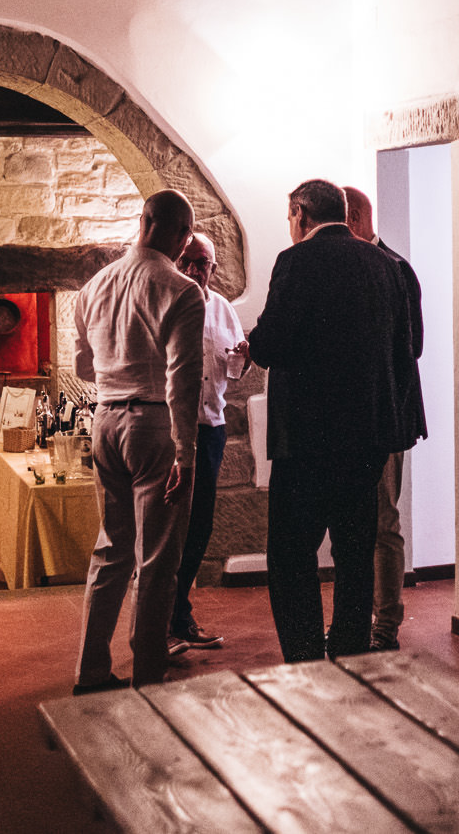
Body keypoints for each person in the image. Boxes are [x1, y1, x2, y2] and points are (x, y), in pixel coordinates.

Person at [246, 179, 423, 662]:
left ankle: (303, 655)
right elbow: (404, 352)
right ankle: (348, 647)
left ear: (301, 213)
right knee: (353, 550)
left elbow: (272, 343)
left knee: (292, 554)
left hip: (306, 438)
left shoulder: (296, 261)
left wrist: (252, 345)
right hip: (367, 436)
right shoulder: (387, 266)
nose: (290, 228)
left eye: (289, 219)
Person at [72, 191, 203, 692]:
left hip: (104, 418)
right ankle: (148, 675)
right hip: (154, 424)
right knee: (157, 559)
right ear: (182, 235)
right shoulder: (181, 288)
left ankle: (89, 670)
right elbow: (183, 381)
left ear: (142, 220)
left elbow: (83, 366)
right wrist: (186, 457)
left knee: (110, 549)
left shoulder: (94, 285)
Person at [342, 185, 426, 652]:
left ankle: (385, 626)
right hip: (357, 417)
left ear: (352, 218)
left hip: (387, 413)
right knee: (360, 522)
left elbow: (412, 347)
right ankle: (360, 623)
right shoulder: (356, 267)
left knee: (382, 521)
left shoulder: (395, 269)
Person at [167, 232, 246, 656]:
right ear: (177, 262)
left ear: (215, 269)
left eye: (205, 264)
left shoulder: (223, 310)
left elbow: (232, 371)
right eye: (190, 261)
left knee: (199, 527)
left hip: (210, 429)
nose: (198, 270)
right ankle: (165, 621)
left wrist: (242, 360)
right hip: (170, 429)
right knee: (169, 528)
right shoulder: (165, 301)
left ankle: (180, 616)